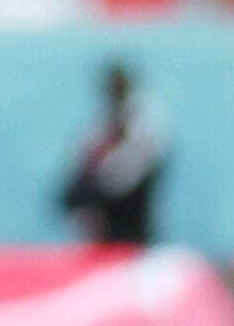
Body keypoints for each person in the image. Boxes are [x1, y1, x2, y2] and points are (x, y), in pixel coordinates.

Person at [58, 62, 167, 248]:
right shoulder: (103, 118)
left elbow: (137, 163)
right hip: (106, 195)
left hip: (130, 200)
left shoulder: (143, 117)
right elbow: (84, 152)